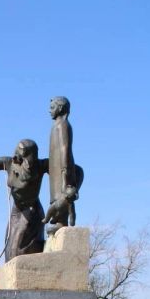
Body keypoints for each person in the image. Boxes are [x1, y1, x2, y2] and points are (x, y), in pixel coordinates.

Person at [44, 96, 84, 233]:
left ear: (60, 108)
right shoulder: (56, 125)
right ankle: (59, 220)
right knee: (55, 196)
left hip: (63, 168)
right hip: (56, 168)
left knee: (62, 196)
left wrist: (65, 171)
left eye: (52, 107)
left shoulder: (63, 125)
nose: (49, 111)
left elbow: (64, 148)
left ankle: (62, 222)